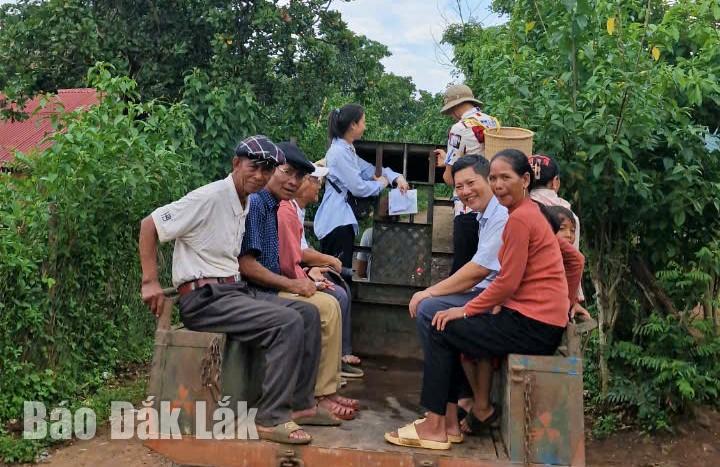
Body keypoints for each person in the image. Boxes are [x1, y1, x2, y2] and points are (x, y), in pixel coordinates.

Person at [385, 148, 584, 451]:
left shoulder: (519, 219)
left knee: (441, 326)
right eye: (494, 178)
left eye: (506, 177)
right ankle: (446, 422)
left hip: (531, 326)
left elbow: (506, 282)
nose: (499, 184)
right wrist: (567, 303)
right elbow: (575, 260)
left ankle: (437, 424)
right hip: (536, 321)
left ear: (525, 180)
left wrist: (464, 311)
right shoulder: (531, 213)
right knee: (443, 323)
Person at [139, 135, 320, 445]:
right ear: (236, 163)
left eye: (267, 170)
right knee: (287, 323)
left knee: (307, 313)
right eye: (254, 168)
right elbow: (150, 225)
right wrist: (150, 281)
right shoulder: (210, 196)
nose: (260, 176)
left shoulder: (245, 201)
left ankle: (300, 404)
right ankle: (271, 418)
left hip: (231, 292)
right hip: (204, 299)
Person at [239, 141, 359, 422]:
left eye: (299, 176)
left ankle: (322, 392)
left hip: (273, 284)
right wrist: (297, 282)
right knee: (321, 308)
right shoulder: (259, 204)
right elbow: (250, 265)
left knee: (329, 302)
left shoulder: (275, 206)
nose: (293, 182)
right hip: (257, 290)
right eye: (287, 173)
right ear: (271, 171)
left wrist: (305, 277)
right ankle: (313, 395)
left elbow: (283, 258)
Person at [407, 155, 508, 437]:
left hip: (498, 301)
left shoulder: (501, 214)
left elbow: (479, 271)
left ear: (489, 179)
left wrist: (428, 291)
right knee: (434, 311)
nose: (464, 191)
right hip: (487, 293)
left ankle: (441, 418)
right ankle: (448, 414)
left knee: (429, 310)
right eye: (459, 186)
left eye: (470, 183)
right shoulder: (485, 215)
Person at [278, 161, 364, 377]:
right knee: (336, 298)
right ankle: (330, 368)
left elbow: (298, 252)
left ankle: (330, 371)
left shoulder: (295, 211)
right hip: (281, 282)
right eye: (317, 181)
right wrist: (323, 264)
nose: (320, 186)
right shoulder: (285, 210)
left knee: (338, 293)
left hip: (292, 276)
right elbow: (295, 256)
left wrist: (311, 270)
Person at [313, 104, 409, 268]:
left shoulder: (347, 150)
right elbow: (358, 188)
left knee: (339, 272)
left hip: (341, 221)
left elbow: (370, 170)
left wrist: (396, 177)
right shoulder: (339, 152)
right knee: (337, 273)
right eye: (363, 122)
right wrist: (381, 183)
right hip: (336, 222)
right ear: (353, 124)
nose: (365, 126)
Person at [432, 84, 499, 274]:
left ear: (454, 108)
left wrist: (446, 167)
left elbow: (451, 179)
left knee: (463, 266)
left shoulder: (458, 128)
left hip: (468, 208)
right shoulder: (492, 122)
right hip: (492, 204)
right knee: (486, 264)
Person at [528, 154, 586, 310]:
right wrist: (573, 300)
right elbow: (574, 258)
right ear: (555, 182)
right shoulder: (569, 215)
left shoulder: (518, 208)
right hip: (557, 293)